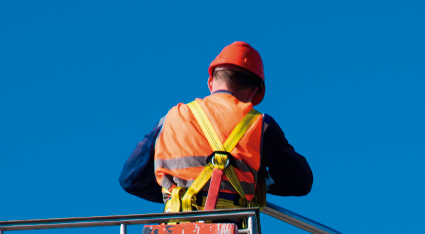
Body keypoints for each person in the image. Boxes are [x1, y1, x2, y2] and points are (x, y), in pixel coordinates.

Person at [119, 41, 313, 211]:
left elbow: (131, 179)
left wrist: (179, 194)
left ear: (210, 81)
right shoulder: (259, 123)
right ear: (254, 92)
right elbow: (300, 182)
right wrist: (257, 182)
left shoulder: (172, 117)